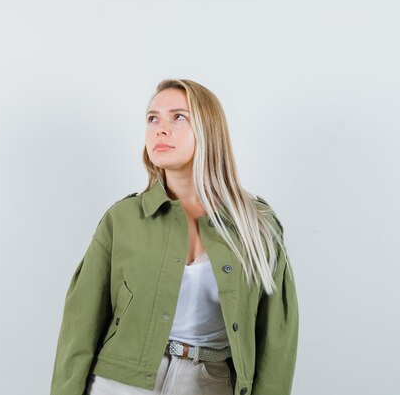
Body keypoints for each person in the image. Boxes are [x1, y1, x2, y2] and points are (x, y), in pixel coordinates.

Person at [50, 79, 299, 395]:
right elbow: (79, 327)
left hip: (211, 383)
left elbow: (277, 337)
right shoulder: (123, 219)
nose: (160, 129)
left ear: (209, 130)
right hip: (121, 384)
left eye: (178, 117)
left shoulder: (257, 224)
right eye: (152, 118)